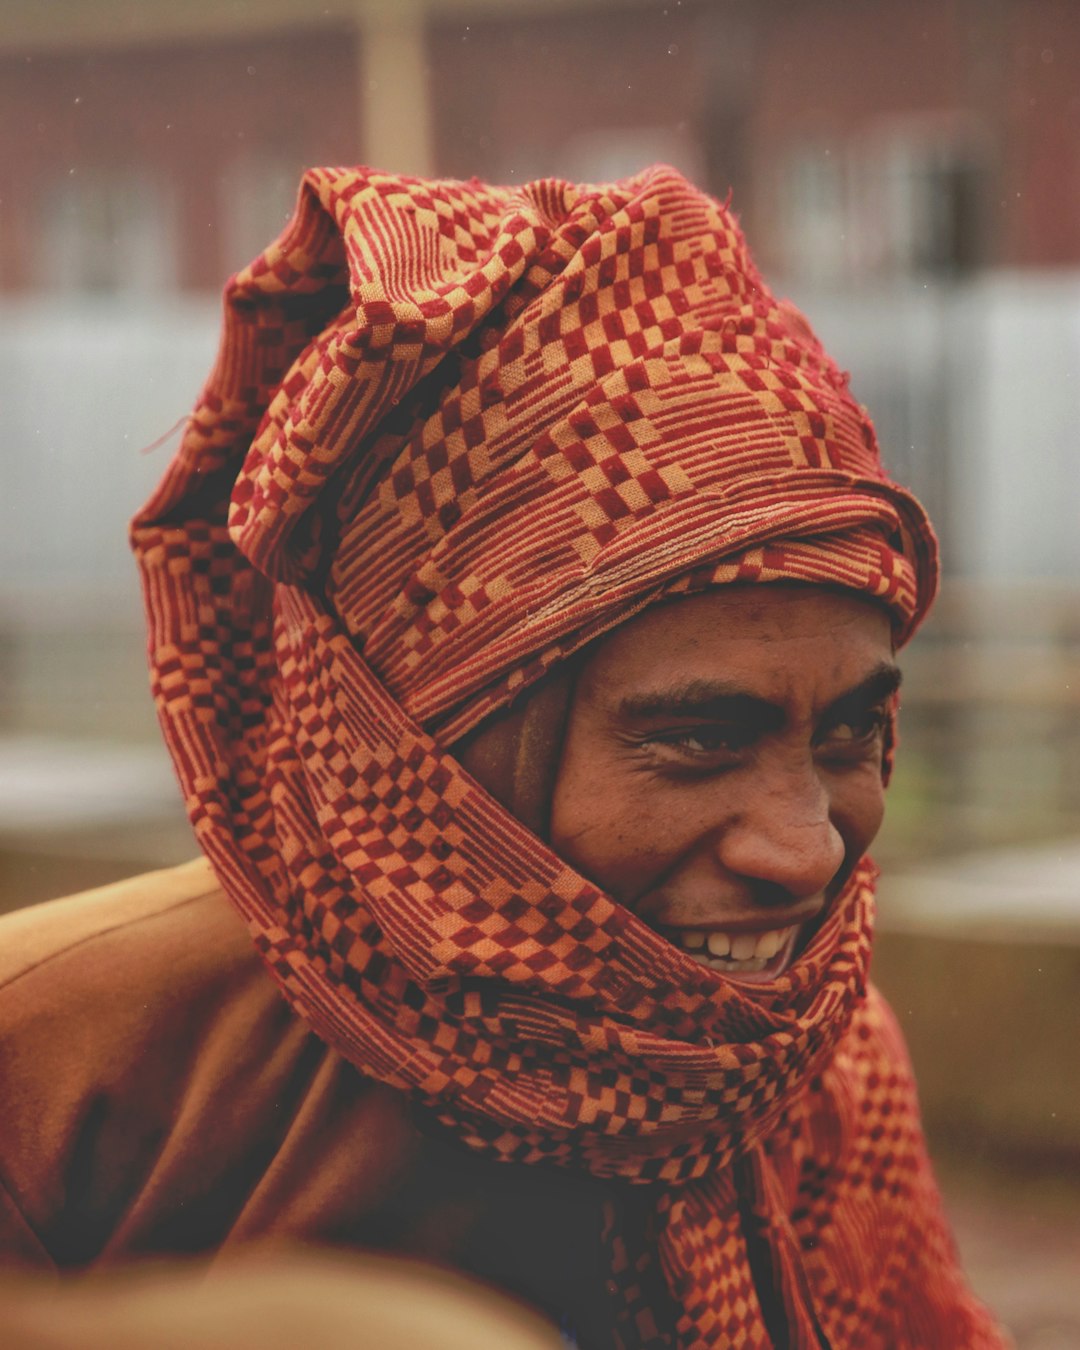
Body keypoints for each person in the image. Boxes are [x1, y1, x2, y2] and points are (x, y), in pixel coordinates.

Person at [0, 164, 1005, 1348]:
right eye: (695, 740)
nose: (805, 848)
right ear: (430, 742)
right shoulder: (56, 1078)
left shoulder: (811, 1059)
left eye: (848, 734)